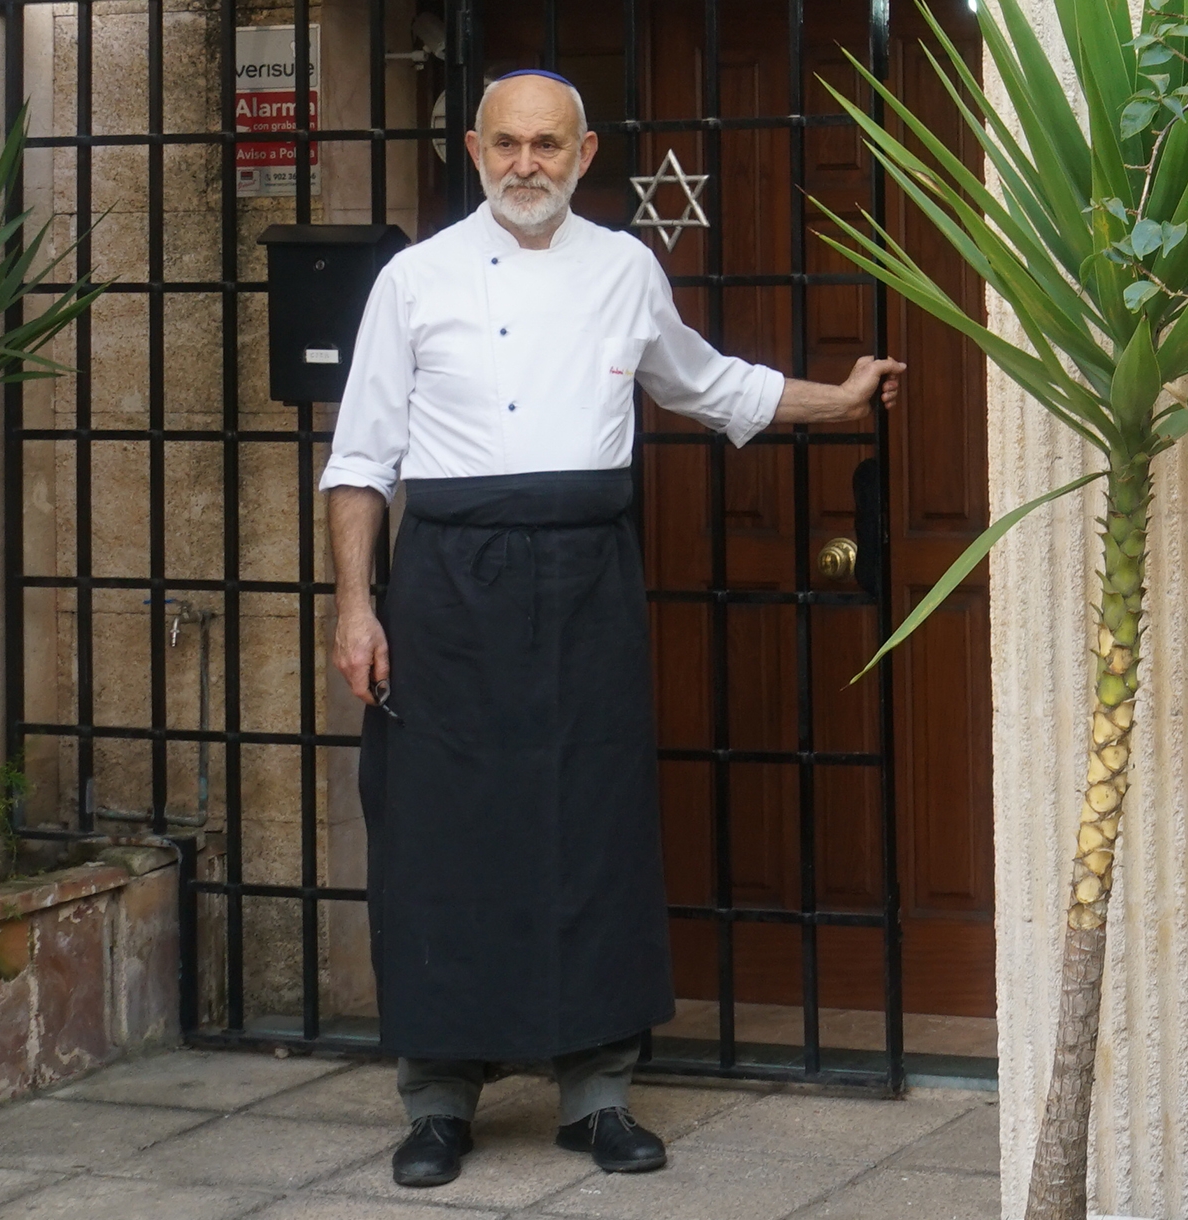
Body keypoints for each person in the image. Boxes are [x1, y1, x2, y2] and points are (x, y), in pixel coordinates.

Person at [321, 68, 904, 1189]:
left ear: (585, 157)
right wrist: (358, 605)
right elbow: (359, 461)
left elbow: (704, 383)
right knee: (442, 831)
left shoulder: (628, 268)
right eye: (506, 144)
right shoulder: (413, 280)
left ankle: (596, 1091)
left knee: (590, 823)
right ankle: (438, 1097)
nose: (526, 164)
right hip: (447, 579)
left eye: (548, 144)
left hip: (588, 572)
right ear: (474, 149)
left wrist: (835, 402)